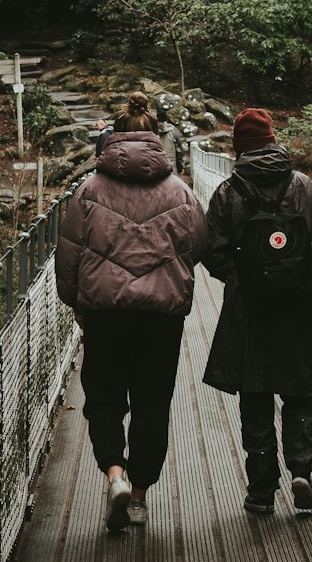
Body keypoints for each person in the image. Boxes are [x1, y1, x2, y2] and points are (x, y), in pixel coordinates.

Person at [56, 91, 208, 531]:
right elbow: (199, 245)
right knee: (152, 403)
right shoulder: (179, 190)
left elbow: (68, 255)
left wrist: (76, 304)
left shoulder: (88, 190)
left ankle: (115, 475)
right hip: (161, 317)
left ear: (112, 138)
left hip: (105, 312)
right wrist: (166, 268)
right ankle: (139, 496)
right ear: (157, 136)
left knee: (102, 397)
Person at [202, 107, 312, 514]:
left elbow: (212, 250)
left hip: (250, 311)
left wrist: (244, 277)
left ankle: (261, 491)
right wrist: (295, 272)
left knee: (256, 395)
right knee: (300, 390)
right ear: (273, 140)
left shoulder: (229, 192)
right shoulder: (304, 186)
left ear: (239, 147)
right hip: (298, 307)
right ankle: (301, 469)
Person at [156, 105, 186, 175]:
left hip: (156, 167)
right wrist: (180, 166)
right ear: (166, 118)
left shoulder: (152, 131)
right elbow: (179, 150)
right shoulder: (173, 132)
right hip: (171, 168)